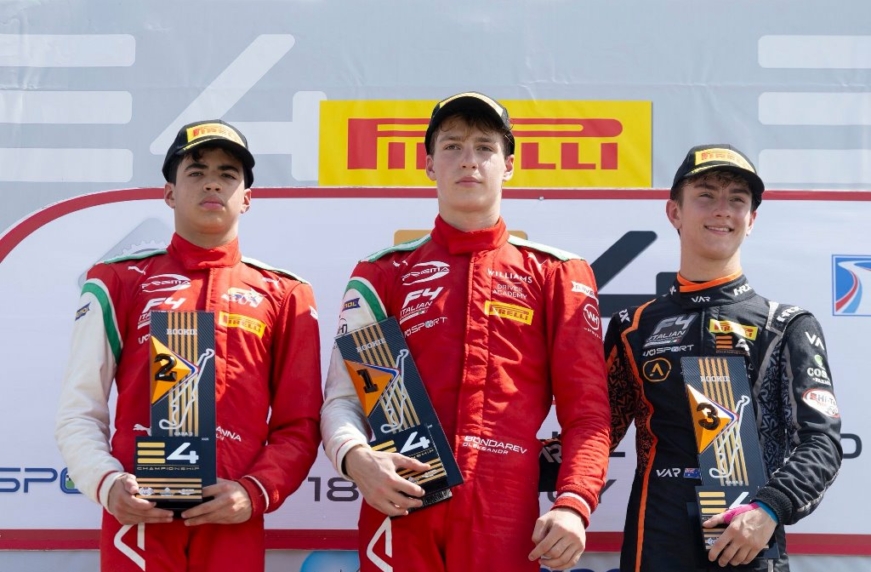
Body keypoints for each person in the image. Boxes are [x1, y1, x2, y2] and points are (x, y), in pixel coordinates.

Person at [320, 92, 611, 571]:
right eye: (452, 146)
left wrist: (574, 503)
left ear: (509, 165)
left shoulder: (555, 273)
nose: (469, 160)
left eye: (485, 148)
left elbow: (588, 415)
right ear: (429, 164)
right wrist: (356, 458)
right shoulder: (384, 273)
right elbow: (344, 399)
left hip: (504, 513)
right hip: (401, 505)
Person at [55, 119, 323, 571]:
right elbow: (79, 410)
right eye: (196, 172)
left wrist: (255, 491)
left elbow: (299, 424)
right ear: (169, 193)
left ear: (247, 197)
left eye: (227, 174)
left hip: (232, 517)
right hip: (140, 517)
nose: (212, 183)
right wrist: (107, 483)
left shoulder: (285, 293)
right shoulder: (118, 280)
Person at [605, 144, 842, 571]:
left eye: (737, 199)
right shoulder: (631, 327)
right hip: (656, 541)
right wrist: (501, 461)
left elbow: (821, 442)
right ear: (674, 212)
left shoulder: (785, 325)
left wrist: (769, 509)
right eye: (706, 195)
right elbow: (594, 434)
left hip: (747, 538)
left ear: (751, 220)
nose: (722, 210)